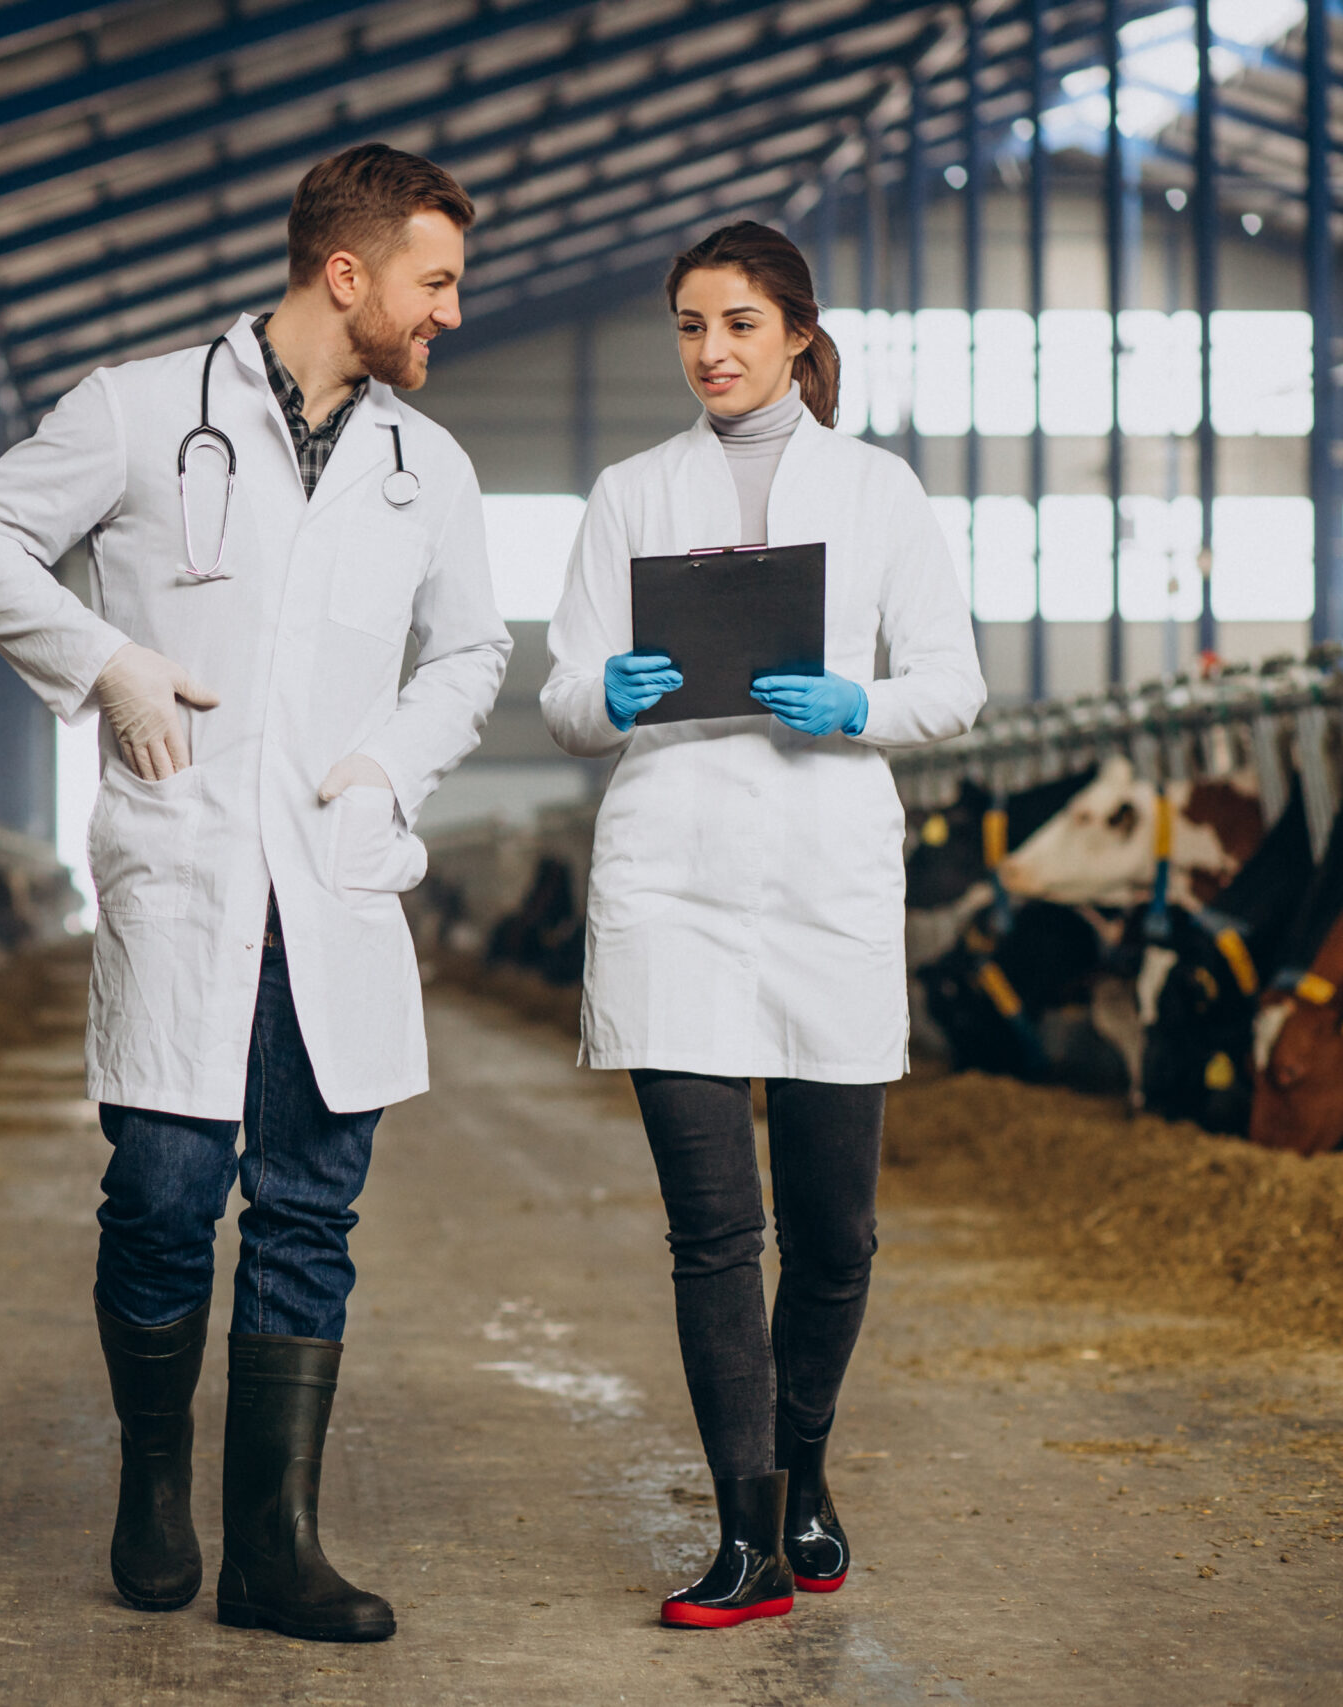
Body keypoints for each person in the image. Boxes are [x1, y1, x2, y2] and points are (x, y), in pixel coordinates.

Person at [0, 143, 510, 1643]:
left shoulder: (424, 467)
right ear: (347, 273)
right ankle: (151, 1477)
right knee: (165, 1197)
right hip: (186, 873)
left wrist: (389, 767)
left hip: (335, 877)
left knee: (310, 1211)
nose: (450, 310)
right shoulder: (135, 409)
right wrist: (105, 666)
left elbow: (470, 656)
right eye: (433, 282)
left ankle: (276, 1549)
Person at [540, 221, 985, 1629]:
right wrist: (608, 693)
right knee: (713, 1232)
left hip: (824, 883)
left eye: (738, 323)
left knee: (836, 1235)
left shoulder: (879, 491)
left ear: (798, 332)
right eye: (689, 326)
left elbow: (953, 688)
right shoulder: (630, 493)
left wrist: (867, 710)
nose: (712, 352)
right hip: (671, 879)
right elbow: (559, 698)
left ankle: (804, 1472)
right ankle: (742, 1539)